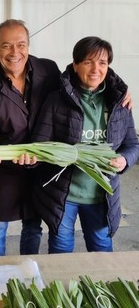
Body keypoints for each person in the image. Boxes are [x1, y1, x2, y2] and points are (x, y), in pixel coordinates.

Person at [28, 36, 139, 253]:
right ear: (76, 64)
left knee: (102, 251)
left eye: (102, 63)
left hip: (101, 194)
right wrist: (35, 157)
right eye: (88, 62)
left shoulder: (120, 102)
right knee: (61, 252)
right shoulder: (56, 101)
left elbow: (133, 145)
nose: (95, 69)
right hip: (64, 196)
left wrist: (124, 159)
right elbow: (39, 144)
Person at [0, 19, 61, 256]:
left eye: (21, 45)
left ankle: (27, 273)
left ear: (29, 46)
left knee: (33, 227)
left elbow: (86, 73)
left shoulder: (49, 71)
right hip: (2, 169)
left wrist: (119, 88)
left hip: (39, 166)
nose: (15, 53)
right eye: (6, 46)